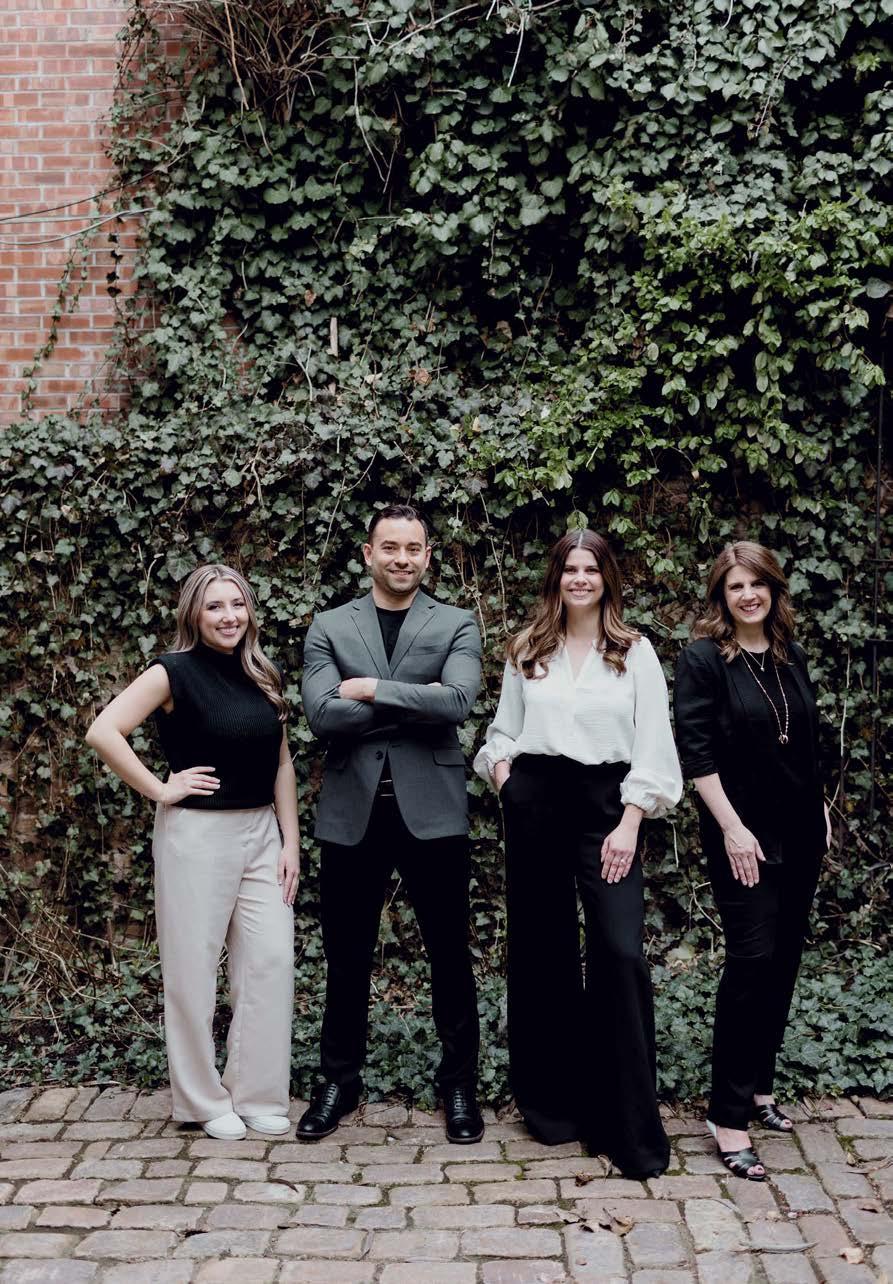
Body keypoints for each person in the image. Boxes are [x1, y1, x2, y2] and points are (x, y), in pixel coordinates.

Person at [474, 529, 682, 1179]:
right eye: (570, 568)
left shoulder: (634, 653)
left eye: (591, 568)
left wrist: (630, 821)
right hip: (536, 800)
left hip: (606, 809)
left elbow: (654, 744)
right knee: (543, 951)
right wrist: (506, 780)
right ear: (556, 578)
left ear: (607, 578)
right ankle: (553, 1108)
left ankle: (625, 1124)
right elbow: (501, 732)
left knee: (619, 952)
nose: (581, 579)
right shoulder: (527, 649)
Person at [85, 564, 299, 1141]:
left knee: (270, 962)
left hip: (262, 835)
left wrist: (290, 842)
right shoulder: (172, 672)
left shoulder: (262, 673)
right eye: (215, 606)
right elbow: (104, 731)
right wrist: (160, 788)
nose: (229, 616)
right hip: (197, 836)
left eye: (238, 604)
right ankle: (203, 1101)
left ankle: (256, 1094)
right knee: (192, 972)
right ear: (193, 615)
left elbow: (281, 762)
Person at [298, 503, 484, 1144]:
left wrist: (371, 689)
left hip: (433, 811)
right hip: (352, 810)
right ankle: (338, 1082)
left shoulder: (455, 622)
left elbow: (457, 702)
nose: (402, 559)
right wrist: (414, 702)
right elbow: (322, 715)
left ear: (427, 555)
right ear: (368, 553)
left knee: (449, 954)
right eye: (390, 547)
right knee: (346, 956)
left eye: (413, 548)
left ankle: (459, 1084)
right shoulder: (329, 625)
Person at [674, 541, 830, 1181]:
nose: (748, 595)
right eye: (735, 586)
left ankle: (760, 1088)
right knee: (752, 960)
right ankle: (727, 1116)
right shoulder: (703, 660)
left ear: (773, 590)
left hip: (802, 832)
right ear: (721, 594)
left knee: (784, 959)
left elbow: (809, 744)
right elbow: (697, 753)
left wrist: (820, 806)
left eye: (757, 584)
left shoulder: (791, 655)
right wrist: (733, 829)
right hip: (742, 836)